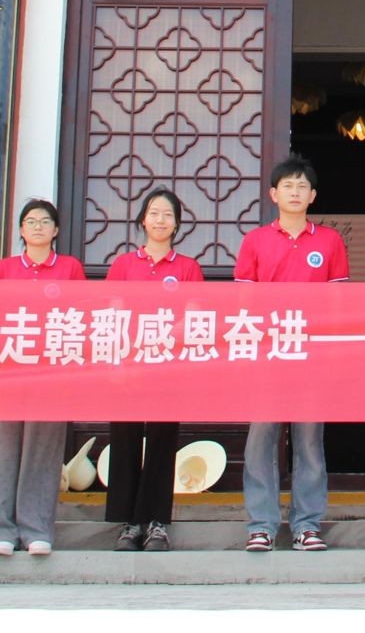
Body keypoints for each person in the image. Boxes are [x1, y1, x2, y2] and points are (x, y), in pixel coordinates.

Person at [236, 156, 348, 554]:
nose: (295, 192)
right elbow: (243, 301)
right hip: (267, 354)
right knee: (261, 440)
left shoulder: (329, 241)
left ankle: (307, 525)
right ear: (273, 194)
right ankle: (261, 525)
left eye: (302, 186)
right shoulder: (255, 241)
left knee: (309, 441)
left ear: (312, 195)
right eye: (288, 186)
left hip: (311, 355)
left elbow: (338, 302)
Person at [0, 199, 86, 557]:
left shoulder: (70, 268)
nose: (38, 227)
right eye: (31, 221)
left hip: (51, 375)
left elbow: (80, 316)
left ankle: (36, 528)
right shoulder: (4, 269)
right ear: (21, 231)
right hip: (9, 373)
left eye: (45, 221)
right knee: (3, 450)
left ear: (55, 230)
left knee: (43, 452)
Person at [106, 187, 202, 552]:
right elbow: (111, 314)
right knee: (125, 441)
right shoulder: (123, 265)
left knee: (162, 443)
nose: (160, 220)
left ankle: (157, 522)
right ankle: (129, 523)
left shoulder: (188, 268)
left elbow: (195, 316)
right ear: (143, 220)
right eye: (154, 213)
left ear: (177, 224)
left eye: (167, 214)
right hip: (129, 366)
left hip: (168, 370)